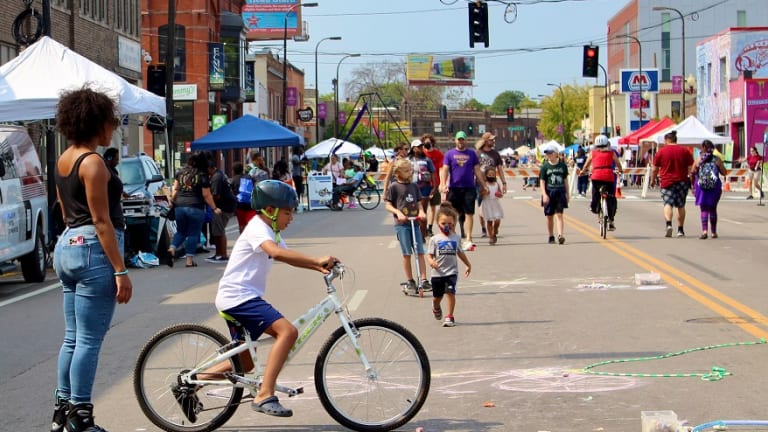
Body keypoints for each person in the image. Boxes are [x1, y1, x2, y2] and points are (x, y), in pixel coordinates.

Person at [212, 180, 338, 418]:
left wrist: (318, 266)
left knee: (245, 364)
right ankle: (264, 394)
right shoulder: (258, 227)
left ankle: (192, 383)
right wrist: (316, 260)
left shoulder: (270, 229)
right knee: (287, 332)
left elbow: (288, 256)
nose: (291, 218)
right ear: (270, 211)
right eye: (288, 212)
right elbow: (276, 252)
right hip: (239, 297)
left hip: (238, 298)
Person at [50, 87, 133, 432]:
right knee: (87, 340)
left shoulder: (64, 159)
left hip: (67, 245)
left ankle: (62, 412)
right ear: (96, 122)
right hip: (91, 250)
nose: (113, 128)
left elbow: (64, 208)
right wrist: (121, 269)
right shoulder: (94, 162)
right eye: (111, 122)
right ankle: (81, 417)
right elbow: (101, 221)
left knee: (72, 338)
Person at [384, 159, 429, 294]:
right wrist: (398, 212)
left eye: (410, 169)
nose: (409, 172)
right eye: (406, 170)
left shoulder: (414, 186)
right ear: (397, 173)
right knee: (407, 254)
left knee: (420, 251)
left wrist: (421, 212)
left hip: (414, 222)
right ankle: (410, 280)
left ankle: (424, 279)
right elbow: (388, 205)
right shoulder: (394, 187)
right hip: (402, 225)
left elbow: (419, 202)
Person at [169, 154, 221, 267]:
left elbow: (175, 190)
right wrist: (214, 208)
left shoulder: (180, 173)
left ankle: (172, 248)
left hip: (180, 206)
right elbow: (206, 194)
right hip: (195, 206)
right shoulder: (202, 175)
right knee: (193, 233)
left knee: (181, 231)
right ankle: (189, 260)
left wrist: (171, 201)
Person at [439, 131, 488, 250]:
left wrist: (483, 185)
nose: (461, 141)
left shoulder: (471, 154)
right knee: (453, 213)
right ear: (455, 140)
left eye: (462, 139)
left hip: (469, 187)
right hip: (454, 188)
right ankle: (453, 236)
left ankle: (469, 238)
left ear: (465, 140)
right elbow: (445, 169)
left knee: (469, 213)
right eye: (459, 139)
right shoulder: (450, 154)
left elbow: (477, 170)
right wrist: (443, 184)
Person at [426, 203, 471, 328]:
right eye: (443, 223)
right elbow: (429, 255)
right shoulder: (434, 239)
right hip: (437, 273)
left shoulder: (456, 237)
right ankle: (435, 306)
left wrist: (468, 265)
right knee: (437, 297)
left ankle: (449, 316)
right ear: (438, 224)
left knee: (450, 293)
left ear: (454, 223)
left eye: (450, 223)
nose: (447, 226)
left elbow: (460, 253)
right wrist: (431, 262)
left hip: (451, 272)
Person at [651, 130, 694, 237]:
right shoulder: (685, 151)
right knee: (681, 205)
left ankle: (669, 224)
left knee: (668, 204)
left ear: (666, 140)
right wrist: (691, 181)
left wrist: (652, 180)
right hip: (682, 181)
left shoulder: (661, 152)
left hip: (667, 181)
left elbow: (655, 169)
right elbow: (691, 168)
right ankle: (680, 230)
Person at [579, 135, 623, 231]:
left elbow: (587, 164)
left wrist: (583, 171)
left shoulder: (593, 153)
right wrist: (620, 170)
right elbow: (618, 163)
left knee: (595, 193)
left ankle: (594, 207)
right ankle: (611, 220)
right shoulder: (611, 153)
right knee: (611, 197)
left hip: (596, 177)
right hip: (608, 177)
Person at [692, 140, 726, 239]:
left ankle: (704, 231)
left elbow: (693, 171)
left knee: (703, 209)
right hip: (714, 187)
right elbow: (724, 172)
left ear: (703, 148)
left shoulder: (698, 159)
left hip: (701, 187)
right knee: (713, 208)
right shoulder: (717, 159)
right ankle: (714, 232)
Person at [476, 132, 507, 238]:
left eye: (493, 139)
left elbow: (500, 169)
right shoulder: (477, 153)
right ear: (485, 141)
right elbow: (473, 169)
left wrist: (503, 183)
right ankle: (484, 228)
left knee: (493, 204)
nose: (493, 141)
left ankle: (494, 227)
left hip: (492, 183)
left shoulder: (495, 154)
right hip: (479, 183)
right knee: (481, 207)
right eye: (491, 140)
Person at [206, 158, 236, 263]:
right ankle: (218, 254)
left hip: (223, 207)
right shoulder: (219, 174)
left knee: (220, 231)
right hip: (224, 206)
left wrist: (208, 200)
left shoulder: (216, 177)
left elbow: (216, 195)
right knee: (216, 231)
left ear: (211, 168)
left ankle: (223, 255)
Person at [539, 147, 570, 244]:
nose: (548, 155)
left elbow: (565, 180)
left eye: (550, 153)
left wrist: (567, 193)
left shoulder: (562, 166)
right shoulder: (545, 166)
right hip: (549, 191)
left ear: (556, 153)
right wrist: (544, 194)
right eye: (547, 154)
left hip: (560, 191)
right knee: (549, 216)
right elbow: (542, 181)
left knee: (559, 214)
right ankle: (551, 235)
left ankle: (560, 235)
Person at [409, 139, 436, 238]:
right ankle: (413, 234)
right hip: (411, 188)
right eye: (418, 147)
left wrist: (434, 187)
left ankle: (422, 235)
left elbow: (433, 173)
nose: (420, 148)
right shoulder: (408, 160)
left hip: (424, 188)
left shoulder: (427, 160)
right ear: (413, 148)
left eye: (421, 146)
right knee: (412, 212)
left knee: (422, 213)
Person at [421, 133, 444, 237]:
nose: (427, 145)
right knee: (422, 206)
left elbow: (441, 169)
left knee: (433, 207)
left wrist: (441, 183)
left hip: (434, 183)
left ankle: (429, 227)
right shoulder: (420, 154)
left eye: (428, 143)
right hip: (422, 184)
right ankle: (423, 226)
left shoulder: (438, 154)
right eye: (425, 143)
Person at [480, 166, 504, 245]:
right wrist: (485, 193)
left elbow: (500, 194)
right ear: (486, 175)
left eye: (493, 174)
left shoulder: (496, 184)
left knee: (497, 220)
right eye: (489, 175)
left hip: (495, 203)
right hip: (487, 203)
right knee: (489, 221)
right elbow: (481, 195)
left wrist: (499, 194)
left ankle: (495, 230)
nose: (491, 176)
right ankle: (491, 237)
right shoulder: (485, 184)